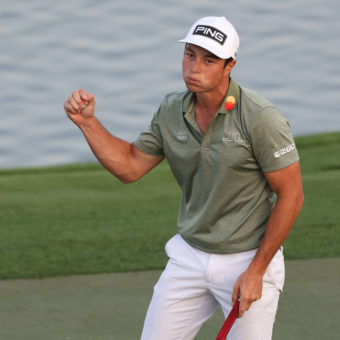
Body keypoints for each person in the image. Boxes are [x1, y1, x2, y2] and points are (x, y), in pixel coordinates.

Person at [64, 16, 304, 340]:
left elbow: (292, 195)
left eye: (209, 60)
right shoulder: (171, 110)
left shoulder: (261, 119)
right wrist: (87, 123)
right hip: (189, 255)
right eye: (189, 55)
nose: (194, 67)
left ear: (229, 65)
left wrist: (256, 271)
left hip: (247, 257)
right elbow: (130, 167)